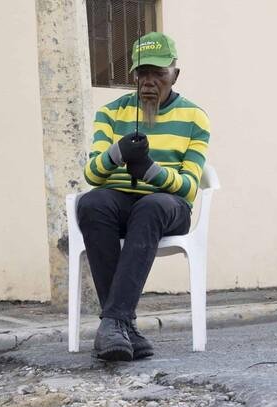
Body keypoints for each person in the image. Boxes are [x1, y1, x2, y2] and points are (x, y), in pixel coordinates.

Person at [78, 32, 211, 361]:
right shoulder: (111, 113)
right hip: (121, 203)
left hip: (169, 207)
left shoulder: (195, 117)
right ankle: (122, 327)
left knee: (151, 206)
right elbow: (93, 174)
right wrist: (117, 153)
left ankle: (114, 321)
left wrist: (151, 170)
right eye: (143, 74)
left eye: (159, 74)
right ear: (133, 76)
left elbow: (189, 187)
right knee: (92, 203)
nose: (150, 82)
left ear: (174, 75)